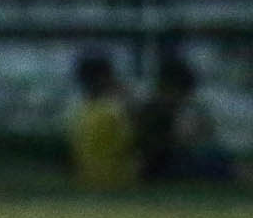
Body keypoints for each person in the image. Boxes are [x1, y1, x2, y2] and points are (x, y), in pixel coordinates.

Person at [135, 55, 237, 183]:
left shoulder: (164, 108)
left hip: (168, 161)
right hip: (160, 166)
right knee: (215, 161)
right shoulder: (155, 111)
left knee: (218, 157)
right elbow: (159, 148)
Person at [68, 51, 137, 191]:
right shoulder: (113, 111)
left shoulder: (78, 111)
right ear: (104, 77)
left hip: (87, 180)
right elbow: (134, 143)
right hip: (119, 180)